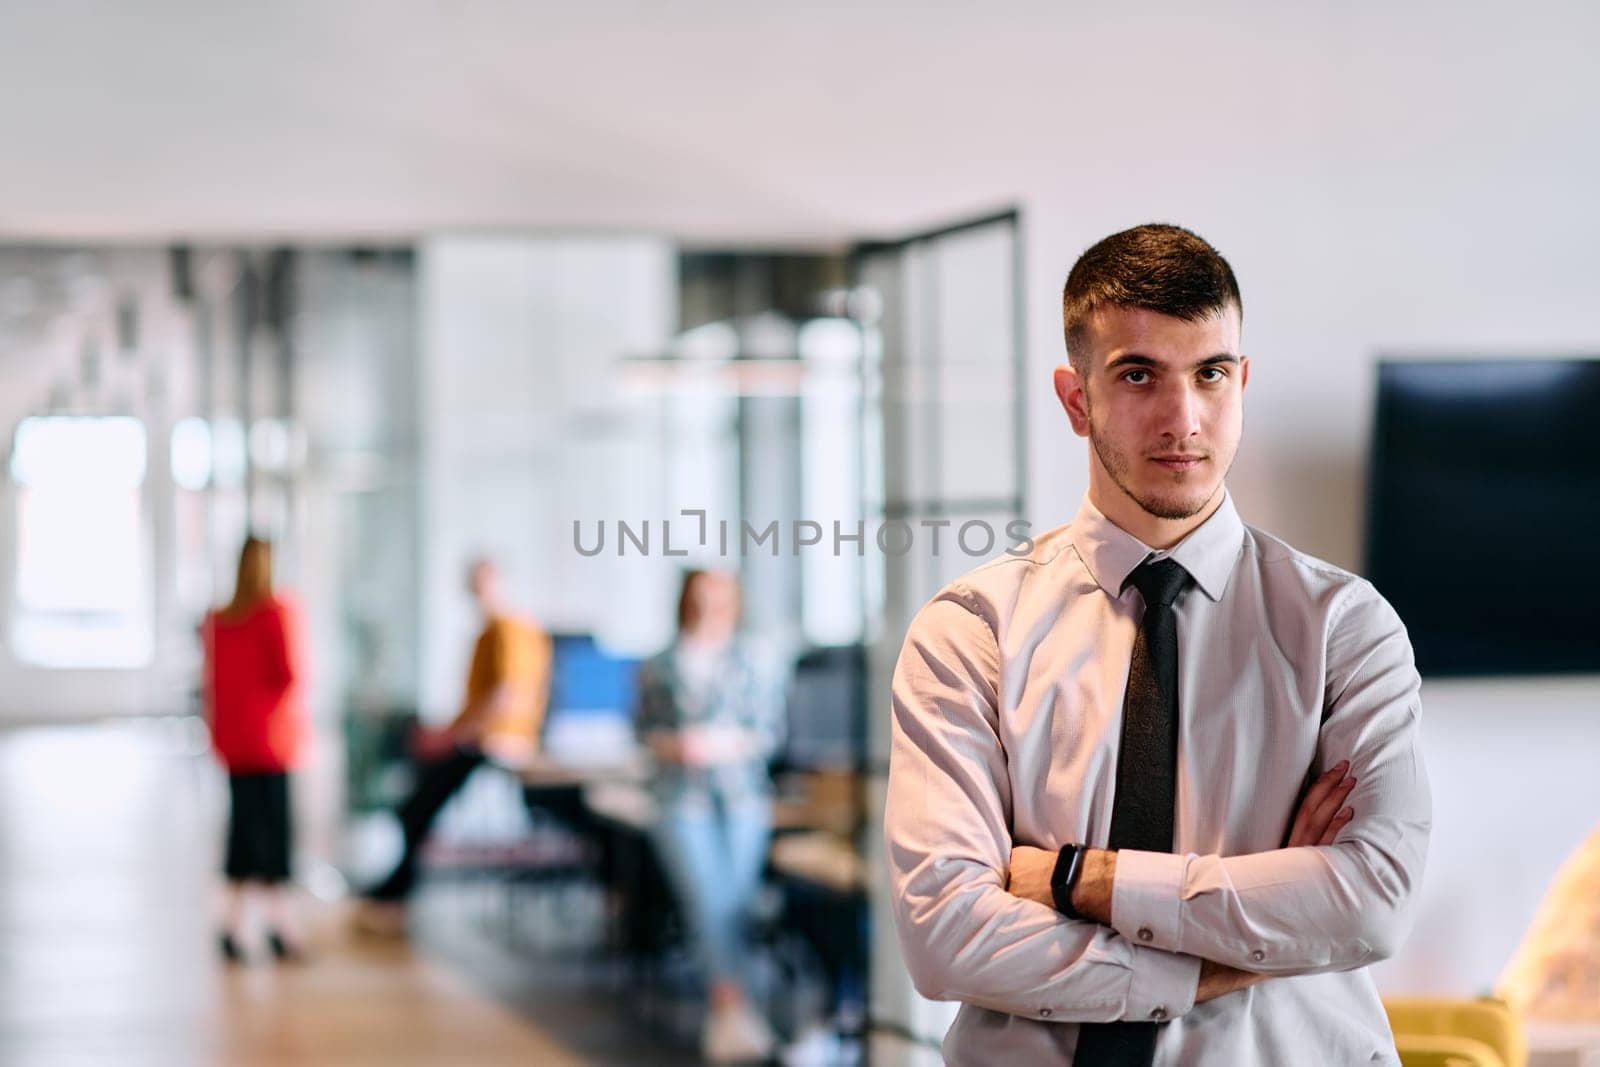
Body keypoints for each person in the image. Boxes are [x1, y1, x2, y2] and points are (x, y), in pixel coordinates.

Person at [883, 224, 1431, 1065]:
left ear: (1241, 381)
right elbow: (946, 936)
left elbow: (1370, 903)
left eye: (1211, 373)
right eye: (1139, 375)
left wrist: (1076, 880)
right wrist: (1239, 946)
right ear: (1076, 400)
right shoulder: (971, 632)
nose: (1184, 418)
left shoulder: (1344, 630)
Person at [635, 569, 787, 1065]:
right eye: (702, 597)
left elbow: (768, 731)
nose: (710, 607)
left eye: (720, 598)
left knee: (735, 907)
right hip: (681, 799)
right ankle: (734, 1010)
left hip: (742, 798)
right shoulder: (660, 664)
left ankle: (731, 1016)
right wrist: (677, 746)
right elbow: (644, 731)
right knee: (705, 900)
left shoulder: (754, 658)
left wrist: (719, 744)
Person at [360, 557, 552, 921]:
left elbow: (506, 696)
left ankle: (400, 882)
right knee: (416, 785)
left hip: (498, 742)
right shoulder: (488, 632)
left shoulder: (511, 629)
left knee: (423, 799)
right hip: (477, 737)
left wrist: (454, 737)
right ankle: (399, 876)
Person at [201, 536, 308, 963]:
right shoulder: (276, 613)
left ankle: (236, 924)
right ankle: (281, 927)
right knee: (273, 838)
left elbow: (214, 682)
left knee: (244, 834)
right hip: (270, 744)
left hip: (235, 743)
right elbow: (290, 674)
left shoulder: (219, 620)